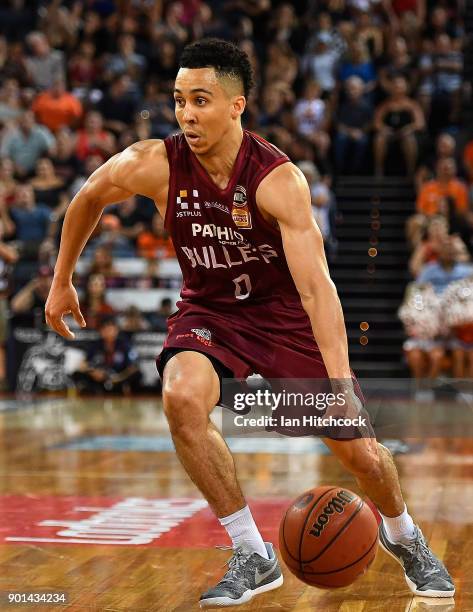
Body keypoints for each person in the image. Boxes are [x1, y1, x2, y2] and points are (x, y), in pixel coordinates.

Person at [45, 38, 454, 607]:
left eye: (202, 100)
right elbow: (88, 196)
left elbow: (318, 289)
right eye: (179, 100)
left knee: (361, 455)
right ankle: (251, 554)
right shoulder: (155, 163)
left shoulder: (276, 181)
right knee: (181, 395)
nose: (187, 113)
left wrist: (337, 383)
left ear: (236, 106)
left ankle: (404, 535)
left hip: (284, 319)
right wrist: (62, 279)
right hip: (209, 312)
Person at [72, 315, 141, 395]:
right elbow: (84, 364)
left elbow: (133, 367)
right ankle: (93, 392)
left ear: (116, 330)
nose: (108, 332)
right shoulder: (95, 345)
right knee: (77, 375)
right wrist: (93, 372)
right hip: (100, 378)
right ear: (101, 331)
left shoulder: (125, 345)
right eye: (105, 329)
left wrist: (118, 378)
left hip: (119, 378)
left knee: (137, 375)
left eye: (111, 329)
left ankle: (124, 390)